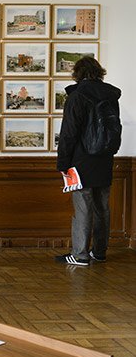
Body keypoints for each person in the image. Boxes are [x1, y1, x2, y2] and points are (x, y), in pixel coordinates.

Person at [55, 57, 121, 266]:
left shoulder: (77, 96)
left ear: (78, 73)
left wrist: (63, 163)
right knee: (102, 206)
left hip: (81, 158)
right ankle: (99, 252)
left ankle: (81, 254)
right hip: (105, 157)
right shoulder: (111, 96)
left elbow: (69, 133)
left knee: (83, 205)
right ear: (99, 72)